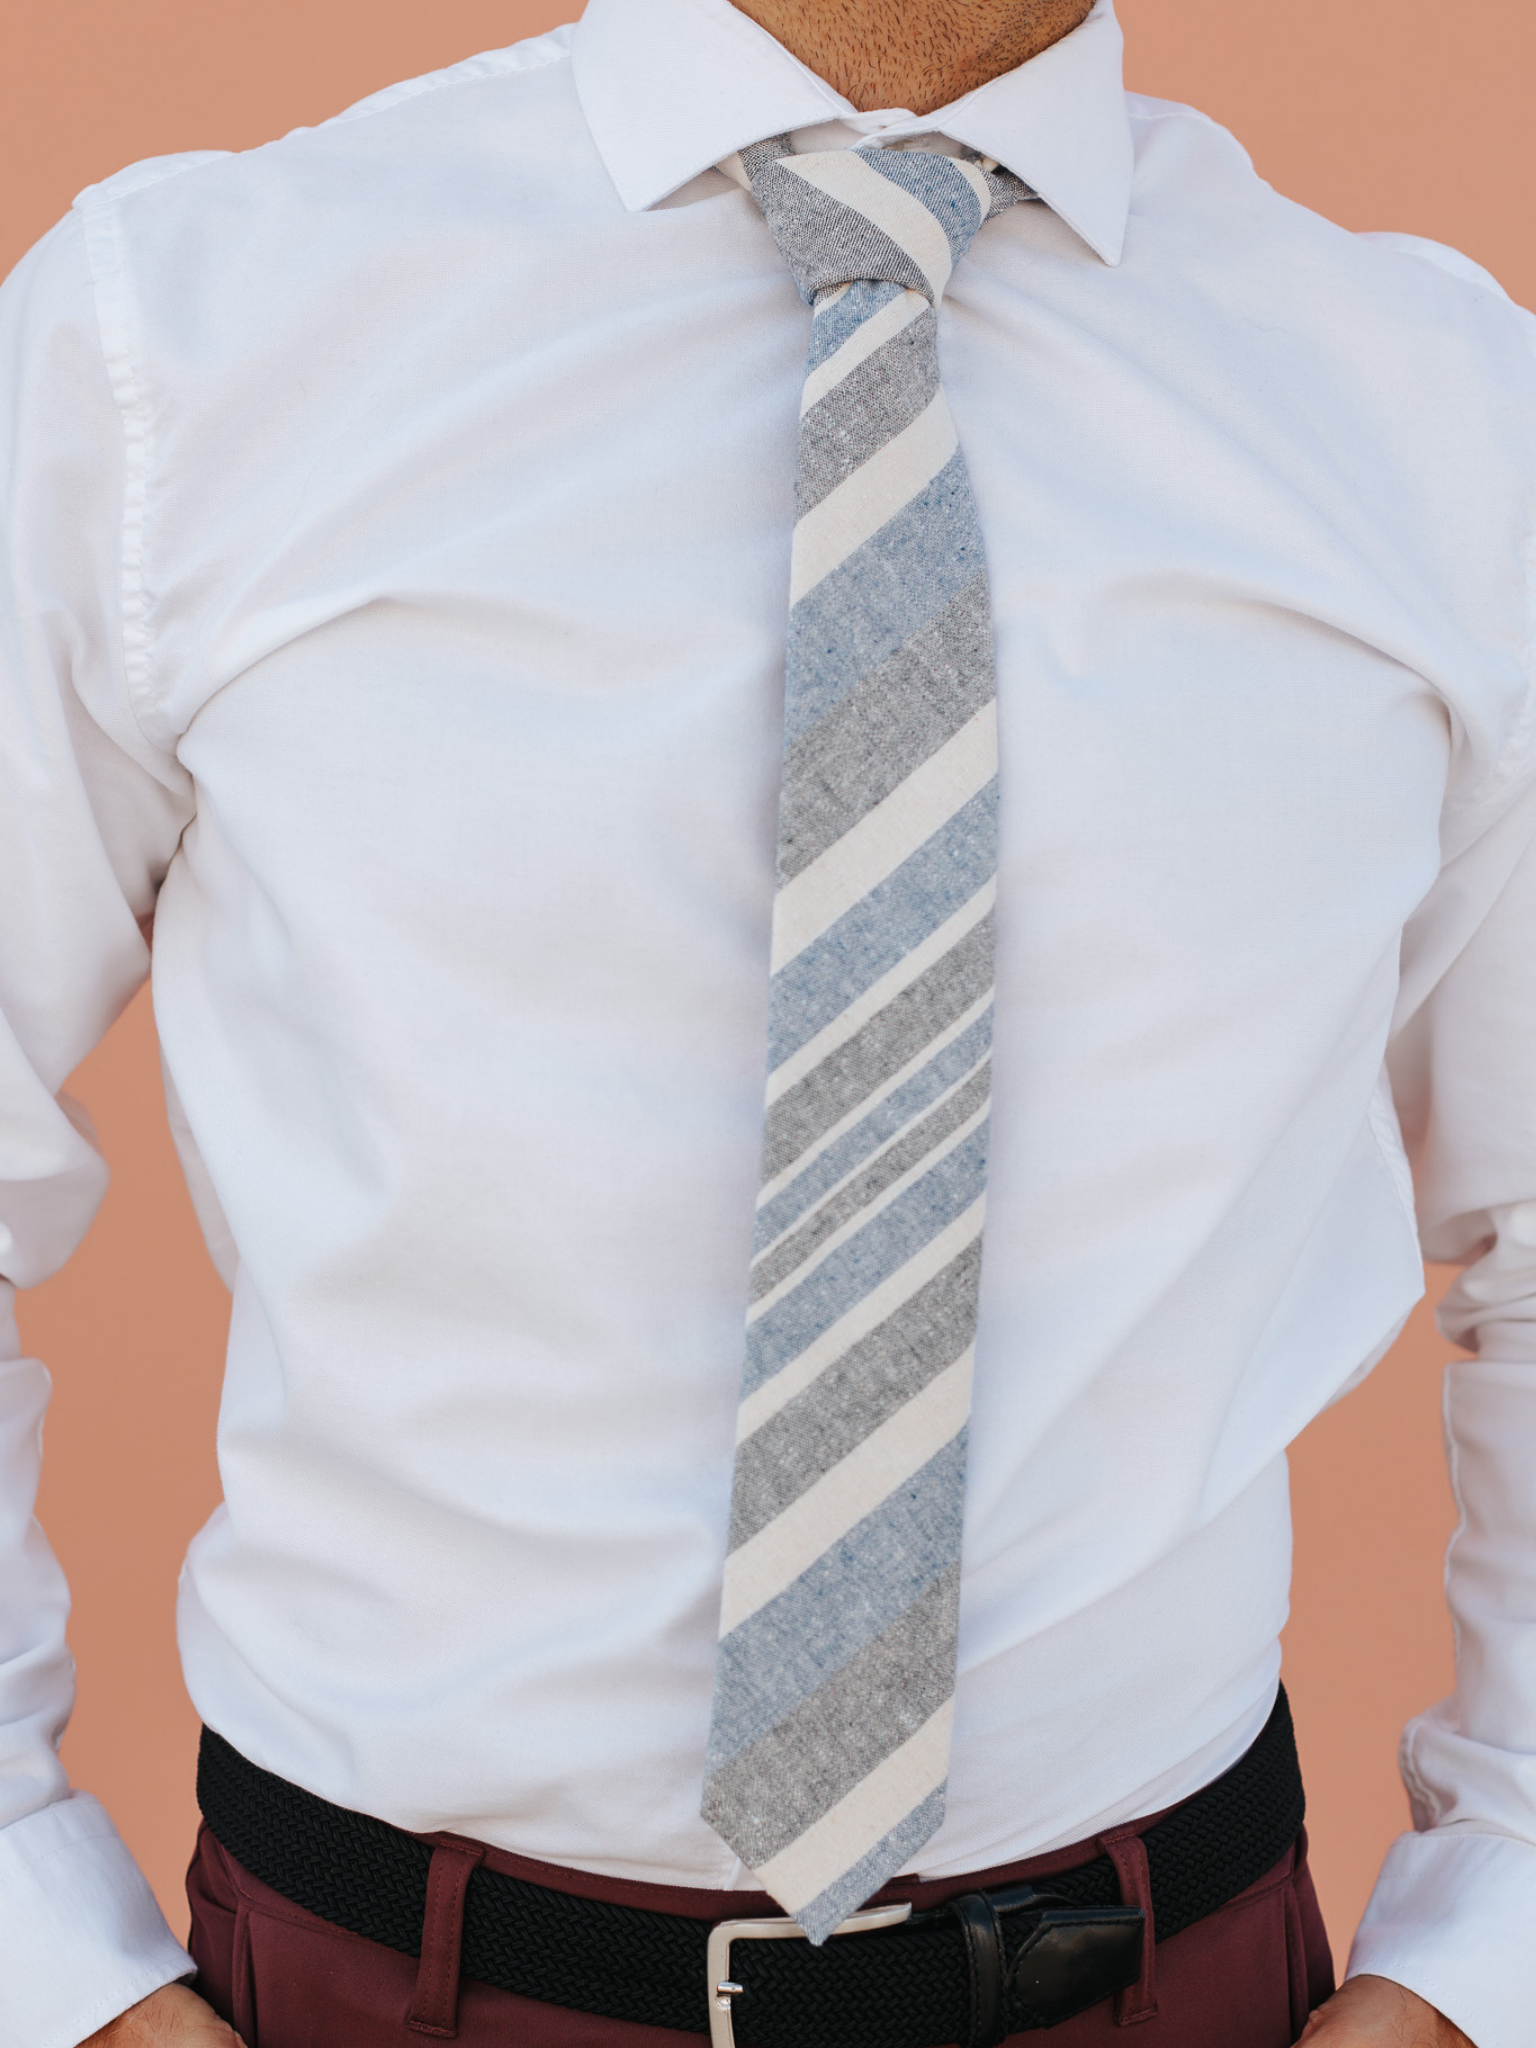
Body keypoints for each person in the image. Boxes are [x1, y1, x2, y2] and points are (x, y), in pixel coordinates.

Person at [0, 0, 1530, 2040]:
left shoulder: (1436, 411)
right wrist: (48, 1965)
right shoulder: (174, 340)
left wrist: (1483, 1952)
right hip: (377, 1986)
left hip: (1180, 1980)